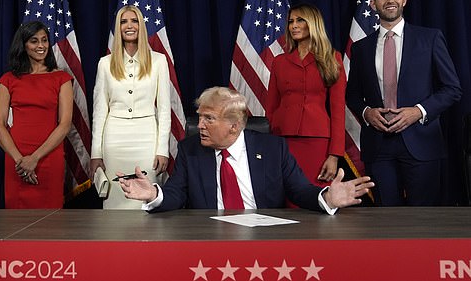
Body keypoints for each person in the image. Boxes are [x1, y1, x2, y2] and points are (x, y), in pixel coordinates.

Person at [118, 87, 373, 213]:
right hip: (209, 239)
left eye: (209, 119)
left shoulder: (273, 148)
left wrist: (326, 198)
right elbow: (175, 194)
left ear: (234, 126)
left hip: (264, 238)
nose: (200, 126)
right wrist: (154, 194)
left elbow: (300, 190)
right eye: (199, 118)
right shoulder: (190, 150)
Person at [346, 0, 461, 206]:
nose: (390, 0)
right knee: (386, 222)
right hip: (378, 147)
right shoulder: (360, 48)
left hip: (422, 141)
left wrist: (418, 111)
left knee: (424, 221)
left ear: (404, 0)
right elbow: (353, 95)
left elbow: (452, 89)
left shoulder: (429, 39)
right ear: (373, 4)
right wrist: (367, 112)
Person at [90, 5, 171, 209]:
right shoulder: (105, 63)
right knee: (116, 196)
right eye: (123, 21)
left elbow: (163, 109)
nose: (129, 26)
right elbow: (100, 112)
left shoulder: (159, 61)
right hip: (114, 139)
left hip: (147, 138)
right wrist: (95, 153)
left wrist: (163, 149)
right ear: (118, 28)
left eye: (134, 21)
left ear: (141, 26)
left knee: (146, 195)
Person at [266, 3, 346, 193]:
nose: (294, 25)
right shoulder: (279, 62)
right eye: (291, 21)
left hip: (317, 141)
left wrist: (334, 155)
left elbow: (338, 111)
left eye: (300, 20)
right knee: (284, 198)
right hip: (282, 140)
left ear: (313, 24)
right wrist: (269, 144)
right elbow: (271, 108)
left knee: (314, 197)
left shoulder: (332, 58)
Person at [0, 21, 74, 208]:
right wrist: (20, 161)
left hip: (48, 156)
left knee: (50, 219)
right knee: (16, 219)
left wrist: (34, 158)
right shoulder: (8, 79)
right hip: (16, 157)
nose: (41, 46)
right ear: (23, 45)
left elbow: (64, 125)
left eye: (44, 40)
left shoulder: (61, 78)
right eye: (34, 41)